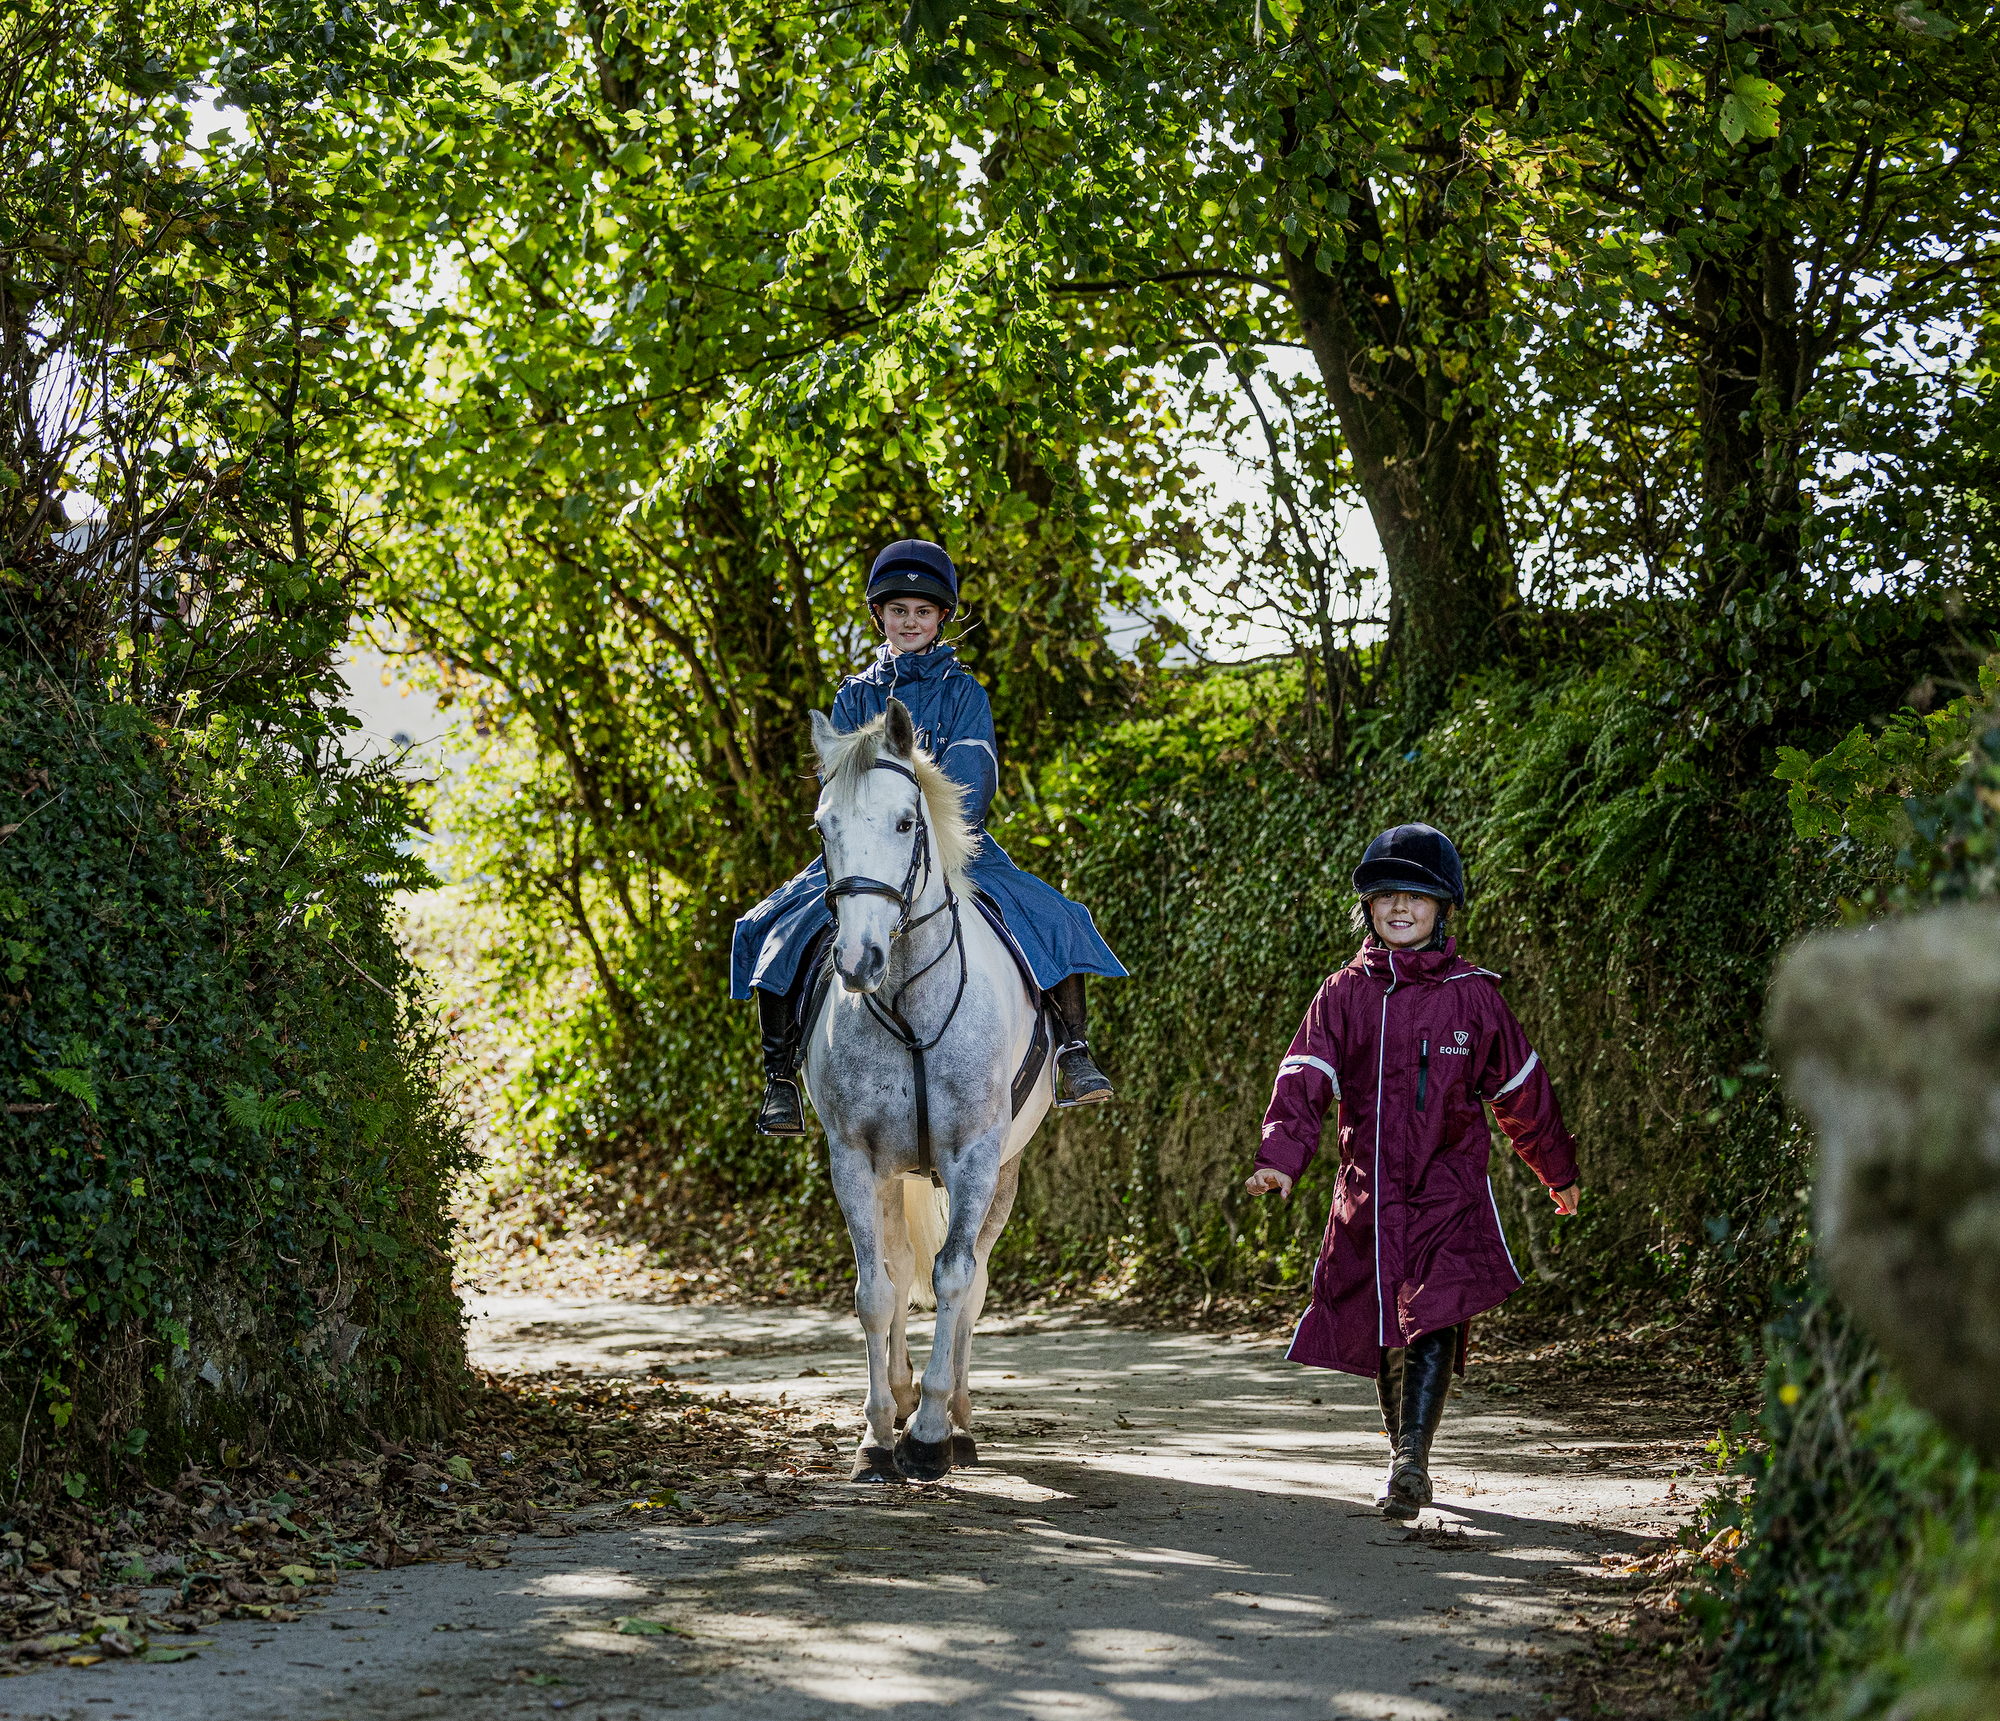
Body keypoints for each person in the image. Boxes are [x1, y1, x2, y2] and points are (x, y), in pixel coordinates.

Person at [731, 538, 1127, 1136]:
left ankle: (1073, 1050)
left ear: (941, 618)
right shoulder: (853, 696)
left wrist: (921, 814)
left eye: (921, 611)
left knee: (1054, 915)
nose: (909, 622)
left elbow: (973, 782)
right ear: (881, 616)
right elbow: (838, 785)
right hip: (863, 854)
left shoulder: (965, 693)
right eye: (898, 611)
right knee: (772, 926)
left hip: (952, 848)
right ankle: (780, 1077)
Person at [1243, 823, 1582, 1519]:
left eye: (1417, 897)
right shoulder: (1342, 994)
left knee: (1433, 1312)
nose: (1401, 908)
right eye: (1387, 896)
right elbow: (1303, 1081)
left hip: (1449, 1188)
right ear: (1367, 905)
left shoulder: (1474, 997)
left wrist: (1557, 1169)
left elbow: (1523, 1090)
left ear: (1443, 907)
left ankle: (1411, 1461)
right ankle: (1403, 1454)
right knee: (1383, 1320)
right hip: (1367, 1192)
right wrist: (1280, 1160)